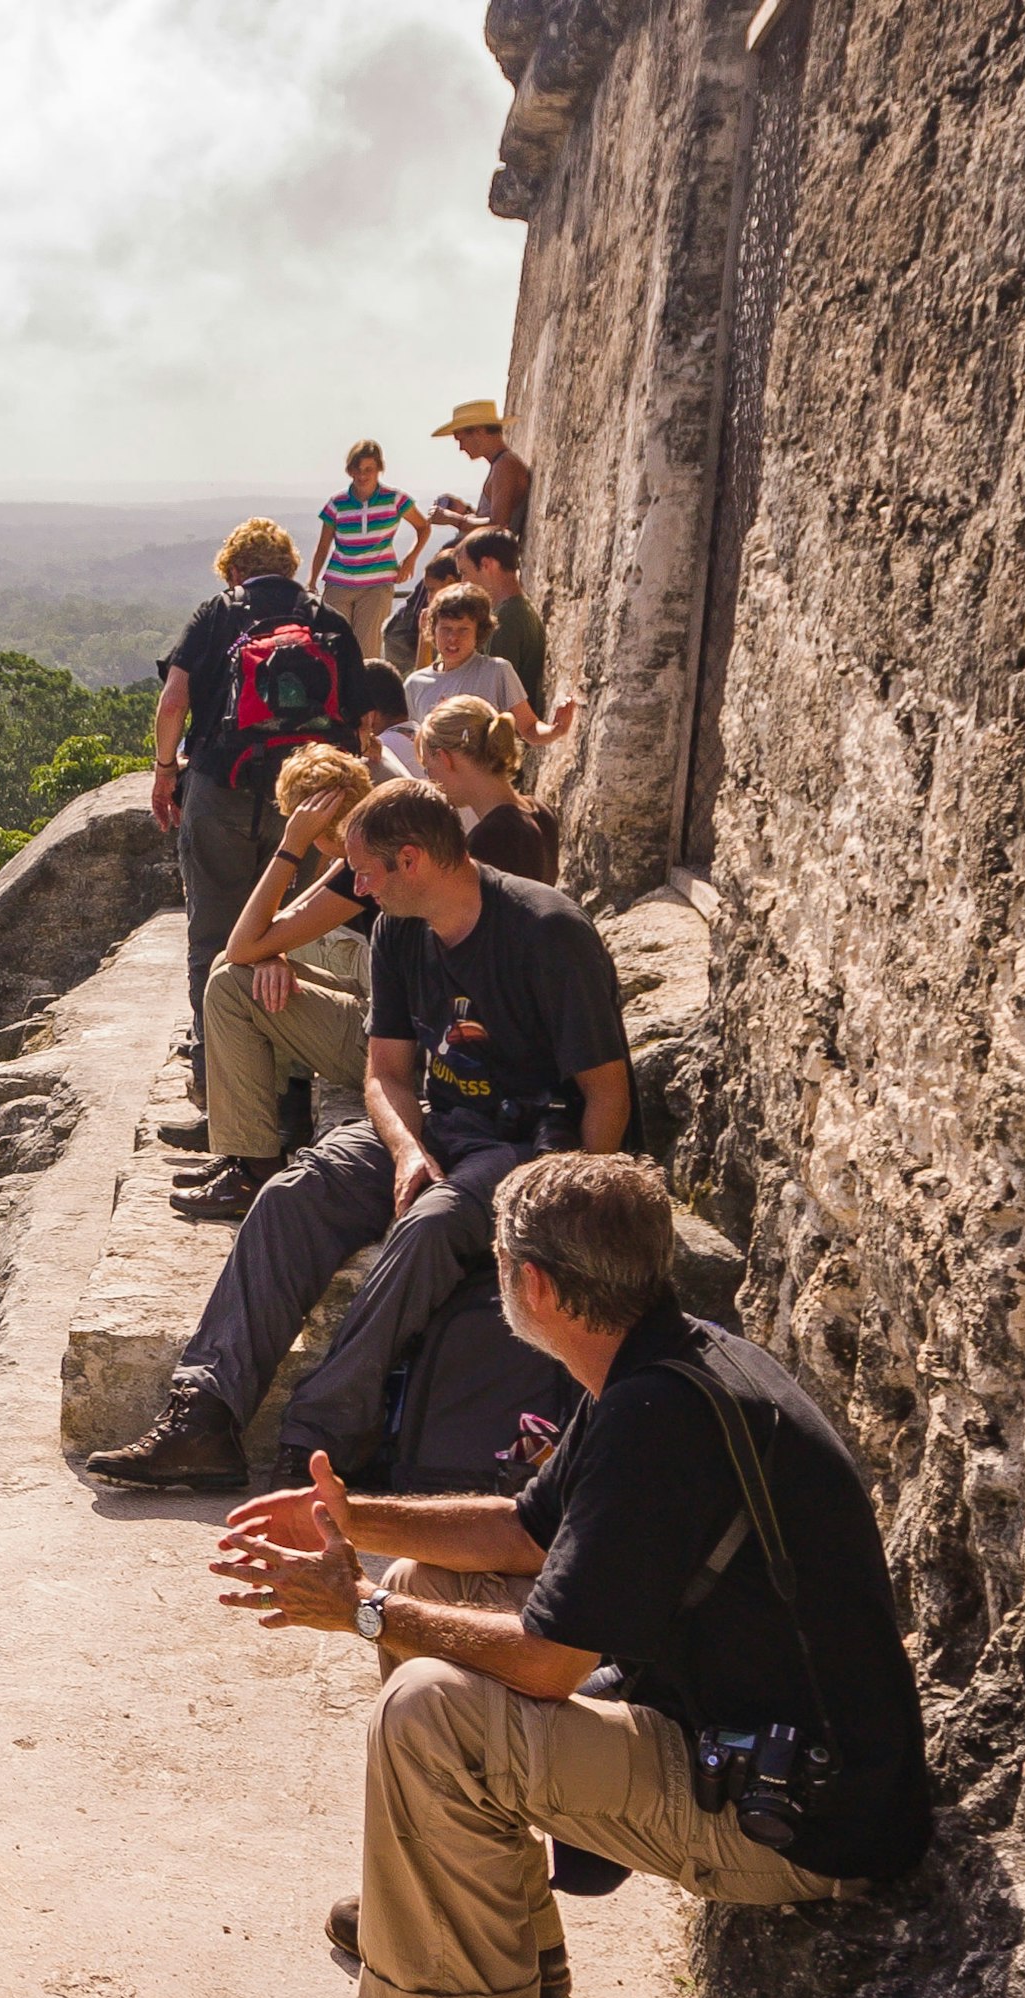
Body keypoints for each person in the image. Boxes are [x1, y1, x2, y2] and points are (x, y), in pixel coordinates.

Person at [209, 1153, 935, 1998]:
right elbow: (523, 1532)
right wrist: (352, 1521)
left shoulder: (658, 1419)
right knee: (437, 1585)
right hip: (748, 1741)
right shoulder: (658, 1358)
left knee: (430, 1709)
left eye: (500, 1257)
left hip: (801, 1817)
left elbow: (550, 1665)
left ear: (535, 1284)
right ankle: (495, 1936)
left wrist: (360, 1608)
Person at [88, 780, 632, 1490]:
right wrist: (407, 1150)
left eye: (366, 872)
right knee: (293, 1192)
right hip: (437, 1121)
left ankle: (318, 1442)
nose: (360, 888)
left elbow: (606, 1094)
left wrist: (570, 1219)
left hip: (527, 1143)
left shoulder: (545, 931)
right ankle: (205, 1418)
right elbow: (385, 1072)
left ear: (412, 860)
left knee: (429, 1224)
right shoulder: (399, 928)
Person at [148, 519, 366, 1128]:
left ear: (235, 570)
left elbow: (174, 702)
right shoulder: (329, 622)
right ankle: (293, 1098)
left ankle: (223, 1098)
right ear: (290, 567)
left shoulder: (216, 615)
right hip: (307, 800)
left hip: (223, 791)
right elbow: (360, 723)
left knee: (215, 941)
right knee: (293, 940)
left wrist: (166, 771)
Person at [178, 746, 378, 1225]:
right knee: (239, 972)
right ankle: (250, 1149)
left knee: (230, 987)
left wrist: (291, 846)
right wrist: (274, 954)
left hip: (385, 1045)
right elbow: (254, 941)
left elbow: (242, 944)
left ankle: (256, 1168)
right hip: (385, 1013)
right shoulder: (369, 844)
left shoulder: (363, 862)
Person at [304, 440, 429, 668]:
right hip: (339, 583)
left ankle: (366, 701)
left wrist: (410, 559)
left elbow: (424, 527)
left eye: (368, 469)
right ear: (350, 470)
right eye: (357, 469)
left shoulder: (395, 499)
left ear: (379, 469)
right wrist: (312, 580)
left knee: (366, 654)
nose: (362, 475)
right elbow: (324, 545)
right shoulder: (337, 503)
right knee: (333, 648)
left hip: (376, 585)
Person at [414, 695, 561, 886]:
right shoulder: (541, 811)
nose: (429, 778)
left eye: (428, 767)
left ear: (444, 758)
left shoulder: (490, 839)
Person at [408, 585, 575, 752]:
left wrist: (555, 730)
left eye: (463, 630)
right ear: (433, 629)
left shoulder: (497, 672)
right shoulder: (415, 684)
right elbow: (410, 745)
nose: (453, 638)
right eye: (446, 629)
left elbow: (529, 728)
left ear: (478, 632)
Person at [455, 527, 554, 710]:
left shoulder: (507, 619)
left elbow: (495, 699)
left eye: (465, 572)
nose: (463, 582)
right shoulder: (516, 610)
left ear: (487, 565)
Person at [429, 399, 530, 540]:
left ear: (479, 431)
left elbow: (498, 525)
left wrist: (454, 519)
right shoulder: (500, 464)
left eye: (461, 439)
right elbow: (492, 517)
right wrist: (466, 510)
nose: (461, 447)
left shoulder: (504, 465)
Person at [380, 545, 459, 678]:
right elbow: (424, 678)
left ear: (451, 581)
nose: (428, 598)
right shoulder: (426, 614)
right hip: (402, 637)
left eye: (432, 590)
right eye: (427, 590)